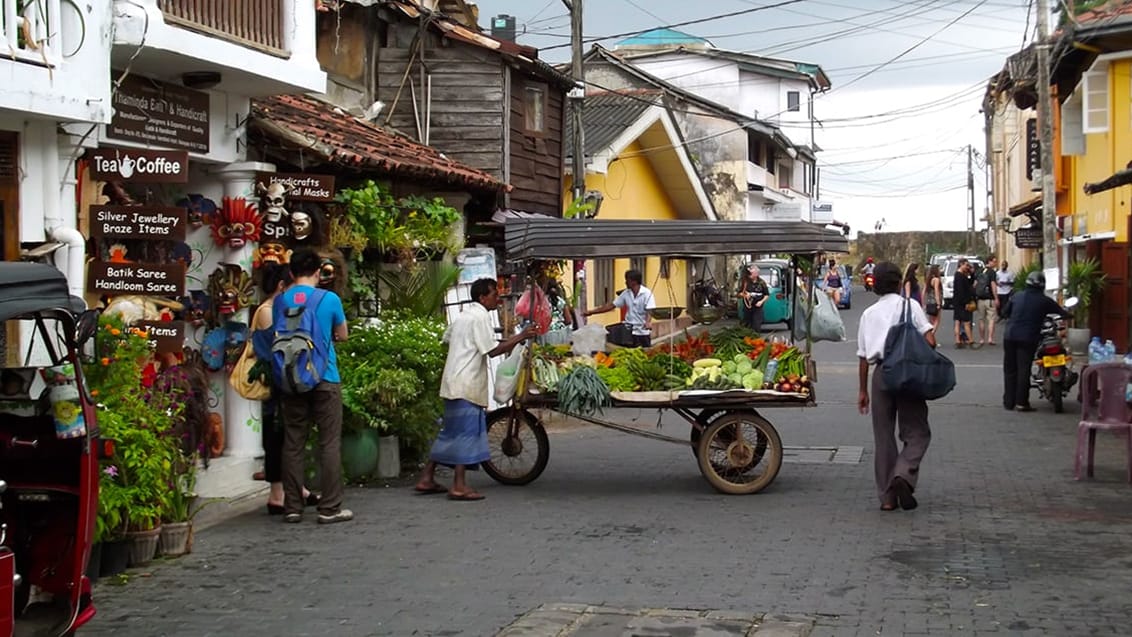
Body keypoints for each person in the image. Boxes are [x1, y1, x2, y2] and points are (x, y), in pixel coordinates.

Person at [414, 278, 538, 501]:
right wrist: (521, 337)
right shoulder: (480, 316)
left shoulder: (463, 315)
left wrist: (509, 339)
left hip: (453, 381)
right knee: (465, 434)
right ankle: (459, 485)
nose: (498, 300)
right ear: (482, 297)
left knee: (449, 433)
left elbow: (453, 339)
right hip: (466, 383)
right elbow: (491, 350)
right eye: (494, 295)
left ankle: (426, 477)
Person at [274, 248, 351, 525]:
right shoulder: (329, 299)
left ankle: (292, 507)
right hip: (324, 376)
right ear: (319, 272)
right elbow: (342, 335)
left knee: (293, 442)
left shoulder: (280, 300)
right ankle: (329, 508)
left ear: (291, 273)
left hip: (289, 378)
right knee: (328, 442)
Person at [857, 262, 937, 512]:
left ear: (875, 285)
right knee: (917, 432)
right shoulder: (910, 306)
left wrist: (862, 391)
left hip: (881, 375)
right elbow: (931, 340)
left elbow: (862, 356)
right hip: (909, 373)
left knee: (883, 437)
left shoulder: (868, 314)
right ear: (899, 283)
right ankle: (903, 473)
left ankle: (888, 499)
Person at [251, 264, 318, 515]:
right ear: (281, 286)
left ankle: (294, 487)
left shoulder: (272, 309)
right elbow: (274, 349)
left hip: (280, 380)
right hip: (275, 382)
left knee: (286, 435)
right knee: (276, 436)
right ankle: (277, 494)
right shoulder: (268, 311)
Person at [1000, 271, 1070, 412]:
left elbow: (1004, 312)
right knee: (1023, 369)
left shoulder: (1016, 296)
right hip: (1028, 338)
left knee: (1010, 369)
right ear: (1042, 285)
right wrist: (1069, 314)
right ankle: (1021, 402)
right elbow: (1062, 313)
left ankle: (1009, 402)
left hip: (1009, 336)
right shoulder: (1044, 300)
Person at [583, 269, 656, 347]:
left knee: (645, 354)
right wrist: (592, 312)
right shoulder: (626, 293)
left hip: (642, 332)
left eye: (627, 280)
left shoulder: (647, 293)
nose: (625, 282)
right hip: (628, 331)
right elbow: (611, 305)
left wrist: (648, 322)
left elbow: (650, 310)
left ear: (634, 282)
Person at [737, 264, 770, 333]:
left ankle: (756, 338)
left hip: (758, 307)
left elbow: (767, 295)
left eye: (753, 273)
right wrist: (745, 296)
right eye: (750, 273)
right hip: (747, 308)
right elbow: (739, 294)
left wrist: (761, 302)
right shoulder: (745, 282)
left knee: (756, 325)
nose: (751, 275)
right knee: (747, 325)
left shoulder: (761, 282)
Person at [974, 256, 999, 346]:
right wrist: (996, 298)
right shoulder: (992, 272)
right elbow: (993, 285)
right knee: (991, 319)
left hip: (980, 299)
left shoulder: (979, 271)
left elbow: (975, 285)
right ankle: (990, 338)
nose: (995, 263)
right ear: (989, 262)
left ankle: (981, 339)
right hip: (990, 299)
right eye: (994, 261)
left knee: (981, 319)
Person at [952, 258, 976, 349]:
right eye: (966, 265)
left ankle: (958, 341)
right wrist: (965, 302)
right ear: (961, 264)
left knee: (957, 321)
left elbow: (970, 282)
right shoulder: (959, 276)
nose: (967, 267)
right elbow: (961, 291)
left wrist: (971, 273)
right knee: (966, 322)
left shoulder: (962, 275)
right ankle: (970, 340)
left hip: (957, 302)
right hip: (962, 303)